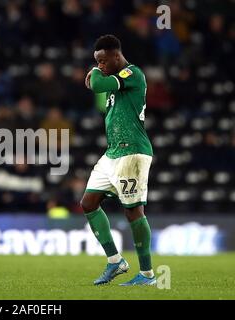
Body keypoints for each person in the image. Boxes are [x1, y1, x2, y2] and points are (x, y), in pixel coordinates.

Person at [82, 35, 155, 286]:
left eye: (103, 61)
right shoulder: (114, 79)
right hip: (112, 152)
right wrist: (97, 75)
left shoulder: (132, 74)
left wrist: (94, 73)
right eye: (97, 62)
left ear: (116, 56)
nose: (101, 66)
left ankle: (147, 274)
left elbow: (97, 84)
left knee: (133, 211)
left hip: (132, 152)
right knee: (89, 202)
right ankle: (115, 261)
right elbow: (99, 84)